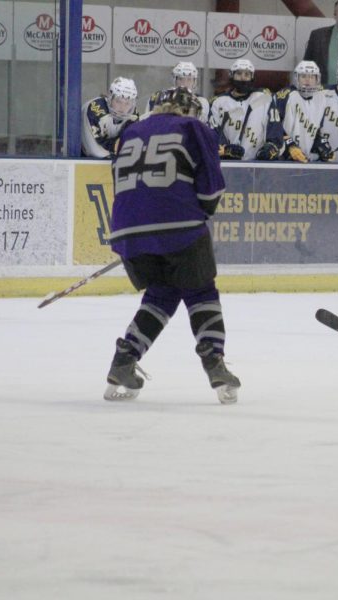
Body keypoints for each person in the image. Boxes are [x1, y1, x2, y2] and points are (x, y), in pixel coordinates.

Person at [104, 87, 241, 404]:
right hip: (178, 227)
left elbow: (123, 183)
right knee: (200, 291)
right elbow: (210, 189)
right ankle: (214, 360)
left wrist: (140, 228)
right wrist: (202, 212)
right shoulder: (193, 127)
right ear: (189, 109)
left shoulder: (132, 129)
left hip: (127, 230)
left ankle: (124, 359)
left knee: (163, 293)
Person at [259, 60, 332, 163]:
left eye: (312, 77)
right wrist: (290, 146)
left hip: (304, 158)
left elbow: (315, 131)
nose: (308, 81)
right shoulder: (284, 96)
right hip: (282, 159)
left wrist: (322, 144)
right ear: (296, 78)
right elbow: (274, 127)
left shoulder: (321, 99)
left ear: (317, 79)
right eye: (304, 76)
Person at [209, 58, 271, 161]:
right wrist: (226, 149)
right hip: (228, 165)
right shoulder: (218, 102)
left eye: (247, 74)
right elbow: (214, 133)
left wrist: (269, 148)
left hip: (258, 165)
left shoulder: (264, 98)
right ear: (232, 75)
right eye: (239, 74)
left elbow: (274, 129)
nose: (243, 78)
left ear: (252, 77)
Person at [81, 77, 139, 158]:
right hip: (83, 156)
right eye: (118, 101)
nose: (122, 108)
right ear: (110, 98)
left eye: (127, 103)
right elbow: (96, 152)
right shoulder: (96, 109)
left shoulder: (133, 115)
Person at [146, 62, 210, 125]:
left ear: (194, 82)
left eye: (189, 79)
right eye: (181, 79)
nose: (185, 84)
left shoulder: (201, 102)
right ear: (174, 80)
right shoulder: (158, 98)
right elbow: (147, 123)